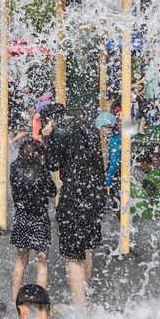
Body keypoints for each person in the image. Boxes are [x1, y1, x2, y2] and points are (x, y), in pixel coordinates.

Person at [40, 103, 107, 306]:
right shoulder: (90, 127)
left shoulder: (59, 130)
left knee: (72, 254)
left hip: (75, 195)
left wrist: (47, 136)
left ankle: (79, 307)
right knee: (85, 246)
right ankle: (84, 296)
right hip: (96, 193)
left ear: (50, 120)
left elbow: (52, 164)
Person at [9, 137, 56, 303]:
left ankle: (15, 299)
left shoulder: (14, 167)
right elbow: (52, 191)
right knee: (42, 262)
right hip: (39, 217)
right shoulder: (41, 169)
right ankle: (39, 303)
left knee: (21, 260)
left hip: (21, 217)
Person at [95, 111, 120, 211]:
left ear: (106, 127)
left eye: (99, 129)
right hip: (119, 177)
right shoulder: (117, 138)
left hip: (117, 180)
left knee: (118, 207)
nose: (99, 132)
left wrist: (108, 182)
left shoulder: (115, 141)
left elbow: (114, 163)